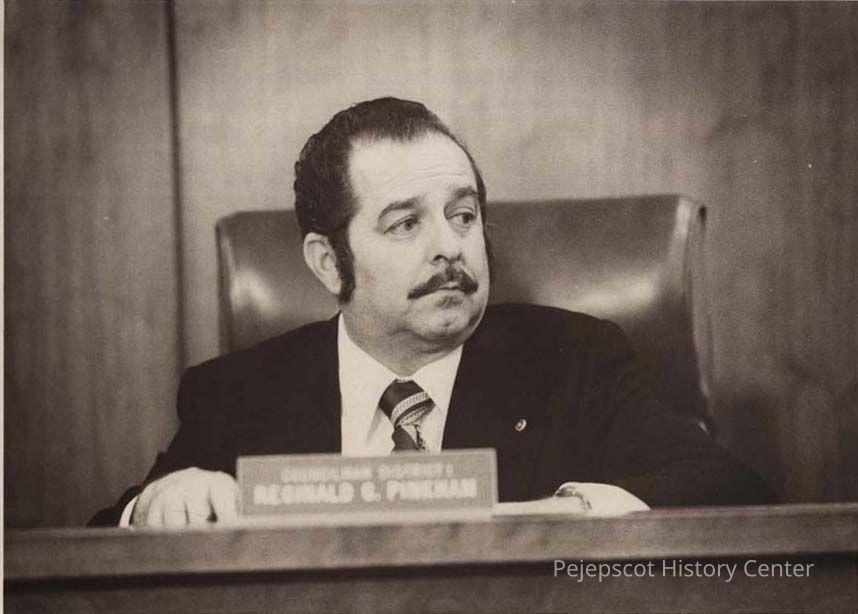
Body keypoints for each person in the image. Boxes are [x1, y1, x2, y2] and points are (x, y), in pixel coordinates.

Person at [90, 97, 772, 527]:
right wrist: (157, 505)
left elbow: (730, 489)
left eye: (463, 215)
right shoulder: (237, 395)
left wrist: (566, 515)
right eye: (404, 224)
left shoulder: (571, 362)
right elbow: (101, 545)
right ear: (328, 263)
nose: (450, 247)